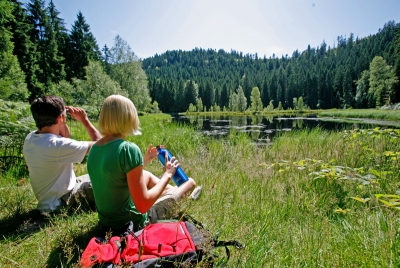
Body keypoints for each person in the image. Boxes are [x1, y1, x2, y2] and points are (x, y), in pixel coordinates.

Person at [87, 94, 200, 232]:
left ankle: (172, 193)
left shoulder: (94, 149)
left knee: (145, 174)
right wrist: (167, 175)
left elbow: (117, 175)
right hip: (133, 222)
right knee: (191, 183)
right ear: (128, 118)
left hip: (107, 223)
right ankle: (184, 197)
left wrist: (144, 160)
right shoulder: (128, 149)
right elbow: (142, 205)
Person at [23, 95, 102, 214]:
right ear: (60, 117)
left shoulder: (31, 138)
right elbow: (103, 146)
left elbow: (64, 137)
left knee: (94, 176)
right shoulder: (57, 145)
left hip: (50, 199)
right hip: (63, 201)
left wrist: (61, 120)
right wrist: (84, 120)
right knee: (112, 179)